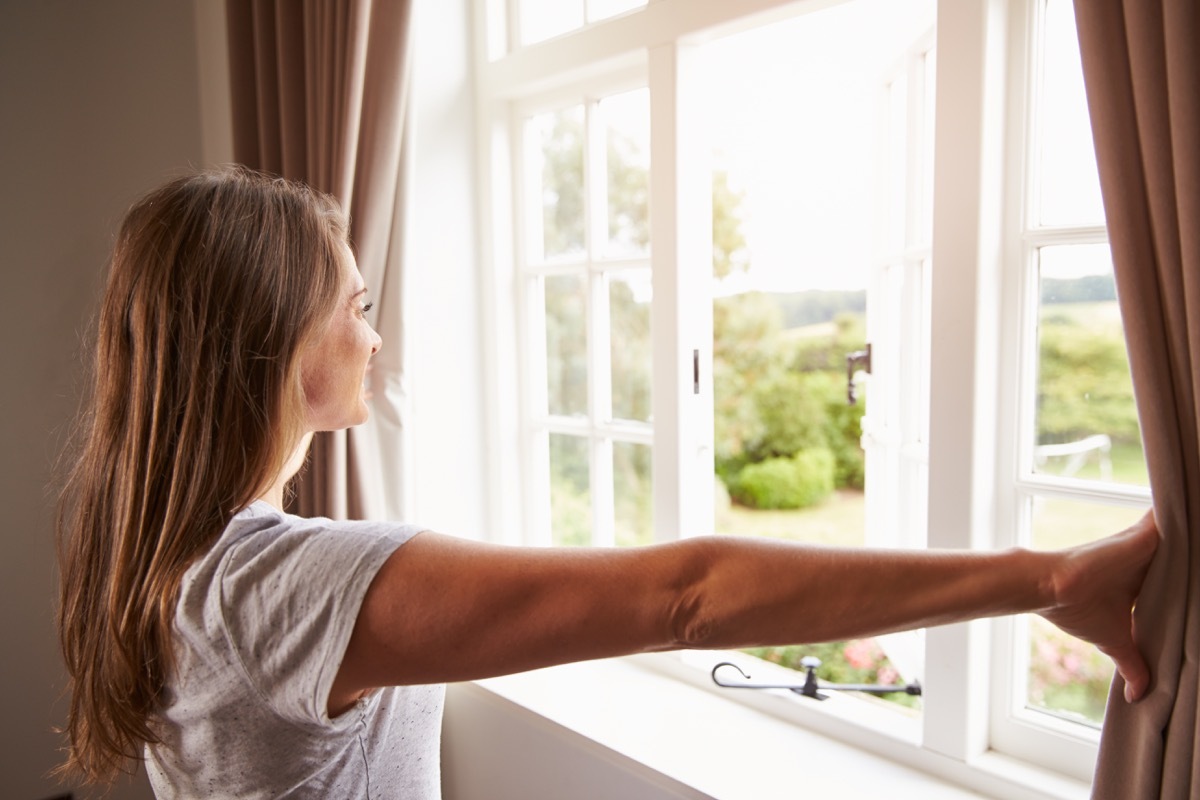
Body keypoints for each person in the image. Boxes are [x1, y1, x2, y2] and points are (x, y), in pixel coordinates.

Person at [56, 166, 1159, 798]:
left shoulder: (173, 546)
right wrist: (1048, 573)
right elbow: (687, 595)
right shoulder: (277, 583)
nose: (374, 334)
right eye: (355, 306)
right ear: (278, 340)